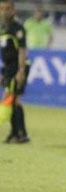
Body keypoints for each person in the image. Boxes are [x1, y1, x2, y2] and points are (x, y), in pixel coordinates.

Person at [0, 0, 30, 143]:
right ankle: (16, 132)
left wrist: (21, 71)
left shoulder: (17, 28)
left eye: (7, 9)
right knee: (12, 99)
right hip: (8, 68)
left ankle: (20, 133)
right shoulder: (3, 28)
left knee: (14, 99)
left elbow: (22, 51)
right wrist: (3, 72)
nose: (4, 12)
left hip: (17, 68)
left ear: (13, 10)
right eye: (2, 9)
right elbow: (4, 53)